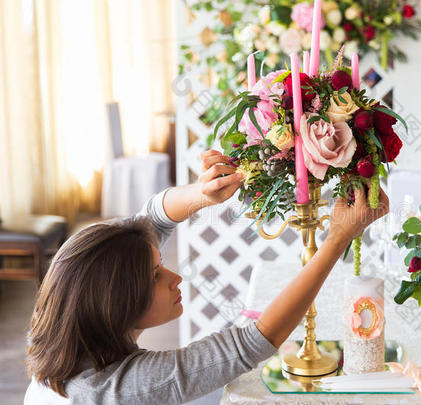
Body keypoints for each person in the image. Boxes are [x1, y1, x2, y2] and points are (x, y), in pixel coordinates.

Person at [24, 149, 389, 404]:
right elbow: (250, 345)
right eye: (155, 275)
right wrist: (339, 238)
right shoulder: (116, 391)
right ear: (115, 303)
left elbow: (153, 216)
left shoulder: (70, 313)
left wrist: (203, 193)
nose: (175, 278)